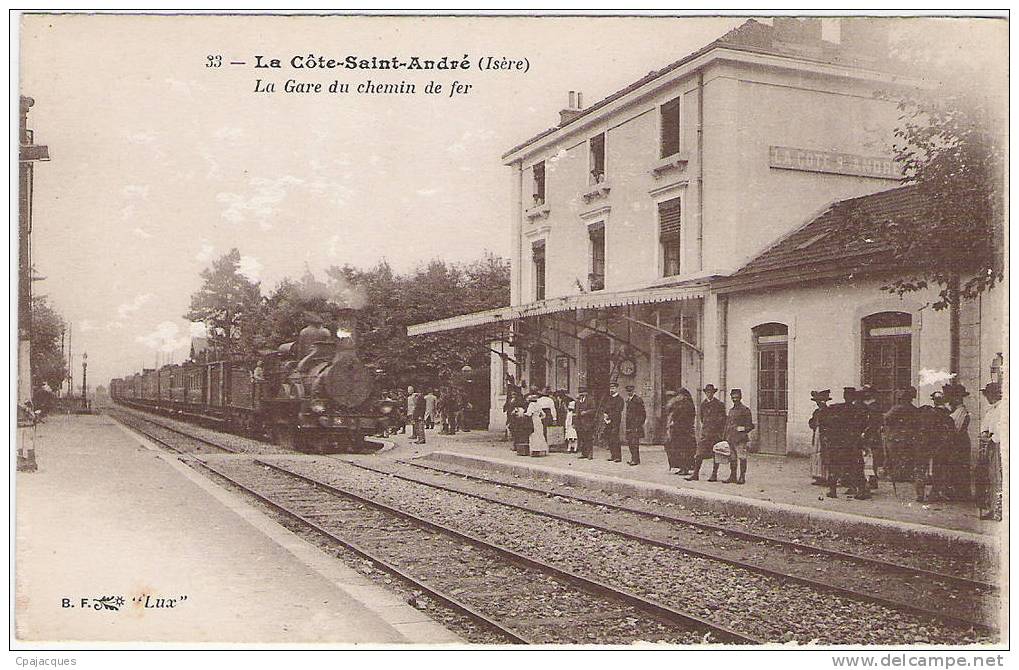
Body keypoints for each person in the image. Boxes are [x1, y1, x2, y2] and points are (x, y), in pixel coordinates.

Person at [882, 386, 925, 501]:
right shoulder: (915, 410)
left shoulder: (897, 409)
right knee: (915, 466)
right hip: (911, 441)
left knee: (893, 462)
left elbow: (886, 419)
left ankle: (900, 490)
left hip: (896, 441)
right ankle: (918, 493)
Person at [920, 390, 956, 501]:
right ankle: (941, 491)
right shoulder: (948, 416)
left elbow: (927, 430)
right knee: (943, 468)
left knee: (936, 469)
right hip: (945, 445)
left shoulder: (931, 414)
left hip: (935, 445)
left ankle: (935, 493)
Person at [687, 384, 726, 481]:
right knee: (699, 453)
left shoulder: (719, 405)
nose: (709, 394)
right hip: (705, 433)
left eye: (711, 392)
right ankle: (695, 474)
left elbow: (723, 419)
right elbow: (702, 419)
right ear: (705, 393)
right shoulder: (703, 404)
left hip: (716, 434)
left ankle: (714, 474)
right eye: (707, 392)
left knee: (716, 454)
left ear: (713, 393)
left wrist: (719, 431)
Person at [977, 382, 1002, 520]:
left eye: (988, 394)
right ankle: (993, 508)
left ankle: (999, 510)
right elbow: (985, 426)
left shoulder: (1003, 408)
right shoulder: (991, 409)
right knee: (991, 477)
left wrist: (992, 438)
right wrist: (985, 435)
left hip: (999, 445)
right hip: (990, 445)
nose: (986, 397)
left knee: (998, 477)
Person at [943, 383, 972, 501]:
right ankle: (956, 492)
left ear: (956, 398)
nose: (949, 401)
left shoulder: (961, 412)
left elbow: (956, 429)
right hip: (957, 442)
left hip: (959, 443)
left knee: (960, 468)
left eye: (951, 398)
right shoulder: (955, 411)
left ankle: (962, 494)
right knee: (955, 468)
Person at [722, 388, 754, 484]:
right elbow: (727, 424)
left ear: (740, 397)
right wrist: (724, 437)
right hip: (730, 438)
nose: (735, 399)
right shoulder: (731, 410)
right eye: (733, 397)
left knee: (742, 457)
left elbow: (750, 426)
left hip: (740, 439)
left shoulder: (745, 410)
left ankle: (742, 477)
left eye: (737, 397)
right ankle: (733, 476)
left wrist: (743, 428)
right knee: (732, 458)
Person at [666, 389, 696, 475]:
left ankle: (685, 468)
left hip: (685, 431)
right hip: (678, 430)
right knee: (679, 449)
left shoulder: (687, 405)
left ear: (683, 396)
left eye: (679, 395)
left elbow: (684, 418)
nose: (678, 397)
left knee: (684, 450)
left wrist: (676, 423)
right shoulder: (679, 404)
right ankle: (681, 467)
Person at [808, 389, 832, 484]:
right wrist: (813, 423)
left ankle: (825, 477)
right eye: (818, 402)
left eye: (821, 401)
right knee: (816, 454)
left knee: (824, 455)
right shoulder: (816, 412)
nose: (819, 403)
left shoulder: (828, 411)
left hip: (824, 435)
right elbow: (812, 422)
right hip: (817, 434)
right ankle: (818, 476)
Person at [623, 385, 647, 466]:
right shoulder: (629, 400)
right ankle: (634, 459)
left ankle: (635, 460)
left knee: (634, 443)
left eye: (630, 391)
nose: (629, 393)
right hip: (630, 426)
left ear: (633, 391)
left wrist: (638, 424)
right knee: (630, 443)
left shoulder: (637, 400)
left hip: (635, 426)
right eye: (628, 392)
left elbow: (643, 414)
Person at [603, 382, 624, 462]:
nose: (611, 390)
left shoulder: (620, 399)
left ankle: (618, 457)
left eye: (613, 388)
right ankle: (613, 455)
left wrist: (610, 417)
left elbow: (618, 411)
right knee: (609, 438)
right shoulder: (609, 398)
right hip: (608, 421)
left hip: (615, 421)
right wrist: (605, 415)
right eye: (611, 388)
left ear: (617, 389)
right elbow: (606, 408)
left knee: (615, 438)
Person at [574, 386, 597, 459]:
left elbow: (593, 409)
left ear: (585, 393)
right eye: (580, 393)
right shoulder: (577, 401)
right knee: (582, 438)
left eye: (582, 393)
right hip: (580, 423)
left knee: (589, 438)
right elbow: (576, 412)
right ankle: (584, 453)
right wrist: (575, 423)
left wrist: (586, 412)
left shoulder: (590, 399)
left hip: (588, 422)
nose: (581, 395)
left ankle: (590, 454)